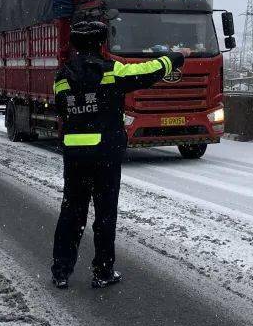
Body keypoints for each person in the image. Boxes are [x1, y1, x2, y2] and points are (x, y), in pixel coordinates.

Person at [51, 19, 184, 289]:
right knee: (105, 214)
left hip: (75, 155)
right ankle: (102, 271)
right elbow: (148, 71)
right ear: (101, 43)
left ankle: (61, 271)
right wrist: (175, 58)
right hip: (104, 155)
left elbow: (62, 110)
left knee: (72, 213)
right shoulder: (112, 72)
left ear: (75, 44)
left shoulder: (62, 77)